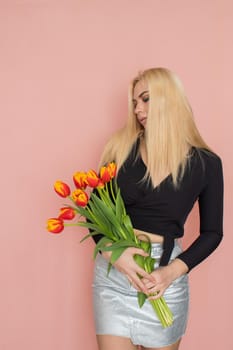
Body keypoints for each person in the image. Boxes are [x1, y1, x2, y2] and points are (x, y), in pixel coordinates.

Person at [91, 67, 224, 350]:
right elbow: (93, 210)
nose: (138, 109)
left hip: (164, 277)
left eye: (146, 99)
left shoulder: (206, 164)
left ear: (169, 99)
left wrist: (172, 272)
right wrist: (114, 254)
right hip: (114, 274)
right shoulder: (120, 148)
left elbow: (213, 233)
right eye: (134, 102)